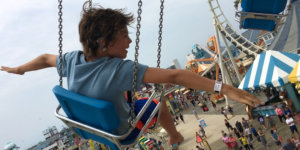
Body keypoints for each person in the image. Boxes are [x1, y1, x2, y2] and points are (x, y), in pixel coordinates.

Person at [0, 4, 263, 146]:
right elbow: (175, 77)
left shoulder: (72, 60)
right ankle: (174, 135)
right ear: (104, 42)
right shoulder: (120, 70)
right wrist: (224, 88)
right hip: (121, 129)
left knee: (141, 101)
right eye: (123, 35)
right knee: (159, 105)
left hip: (90, 126)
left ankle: (172, 135)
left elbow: (46, 58)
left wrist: (20, 68)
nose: (129, 41)